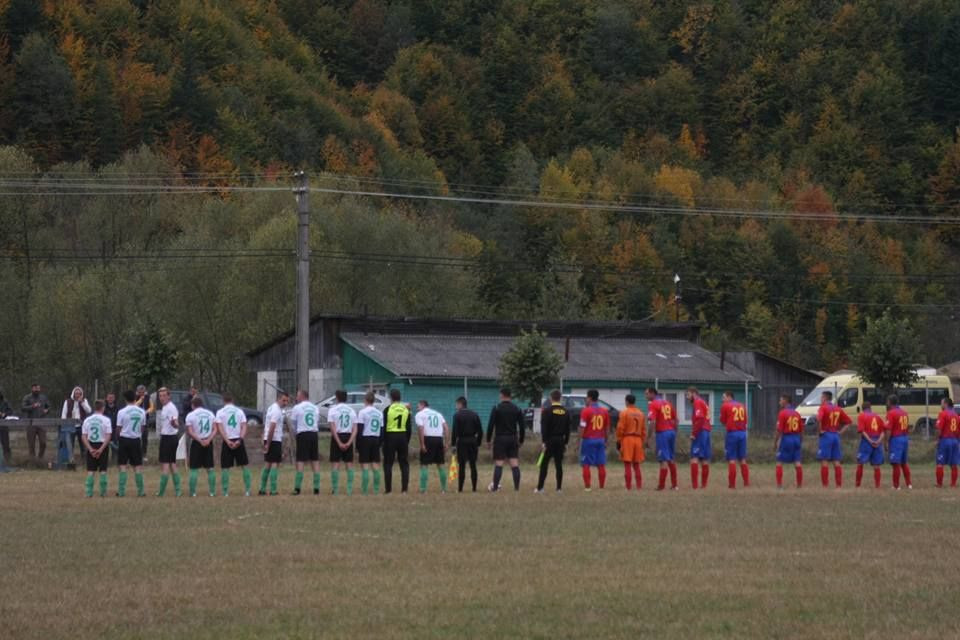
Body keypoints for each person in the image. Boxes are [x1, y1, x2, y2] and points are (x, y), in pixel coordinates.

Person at [485, 387, 525, 492]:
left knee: (499, 464)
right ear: (510, 396)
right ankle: (516, 488)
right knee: (514, 464)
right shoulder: (517, 408)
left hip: (500, 438)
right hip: (512, 438)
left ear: (502, 395)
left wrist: (488, 440)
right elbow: (522, 426)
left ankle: (495, 487)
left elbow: (490, 425)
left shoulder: (497, 408)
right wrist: (521, 440)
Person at [214, 393, 250, 497]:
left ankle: (225, 492)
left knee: (225, 467)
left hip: (227, 440)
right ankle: (247, 490)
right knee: (244, 465)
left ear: (223, 401)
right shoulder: (239, 411)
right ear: (232, 400)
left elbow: (220, 428)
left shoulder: (220, 412)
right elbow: (244, 426)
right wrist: (240, 440)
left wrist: (227, 441)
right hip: (238, 439)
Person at [816, 390, 852, 488]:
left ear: (824, 398)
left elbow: (818, 419)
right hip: (835, 435)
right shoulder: (838, 408)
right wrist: (840, 432)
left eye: (821, 397)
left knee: (824, 461)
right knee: (836, 461)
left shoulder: (823, 408)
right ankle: (838, 485)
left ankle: (825, 486)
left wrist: (820, 431)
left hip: (826, 435)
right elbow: (848, 422)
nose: (820, 399)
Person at [115, 390, 147, 497]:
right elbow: (143, 427)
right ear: (135, 398)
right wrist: (137, 434)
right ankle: (141, 491)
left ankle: (121, 491)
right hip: (136, 440)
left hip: (124, 439)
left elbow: (118, 428)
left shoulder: (122, 412)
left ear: (125, 399)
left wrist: (118, 438)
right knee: (137, 466)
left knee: (122, 466)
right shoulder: (142, 411)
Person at [290, 389, 321, 495]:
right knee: (315, 460)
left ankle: (297, 488)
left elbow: (293, 423)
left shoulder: (297, 408)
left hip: (302, 434)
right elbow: (316, 421)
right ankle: (316, 488)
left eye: (297, 396)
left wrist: (295, 434)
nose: (296, 398)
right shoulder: (315, 407)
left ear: (302, 396)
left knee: (300, 460)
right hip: (313, 434)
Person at [645, 388, 678, 490]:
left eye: (646, 394)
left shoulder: (653, 404)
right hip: (671, 432)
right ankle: (674, 484)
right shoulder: (668, 402)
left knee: (663, 459)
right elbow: (676, 419)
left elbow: (652, 422)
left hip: (662, 433)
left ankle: (661, 486)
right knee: (671, 458)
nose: (645, 396)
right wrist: (674, 431)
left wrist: (648, 437)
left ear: (652, 393)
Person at [327, 390, 359, 495]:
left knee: (335, 464)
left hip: (338, 436)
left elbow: (332, 428)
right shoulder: (352, 411)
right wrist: (349, 442)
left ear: (336, 397)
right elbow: (355, 429)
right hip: (348, 436)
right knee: (349, 464)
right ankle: (349, 490)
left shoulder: (333, 410)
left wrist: (339, 442)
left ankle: (335, 490)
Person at [382, 389, 413, 494]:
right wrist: (406, 440)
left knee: (388, 463)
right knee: (404, 463)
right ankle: (404, 489)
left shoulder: (387, 409)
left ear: (391, 398)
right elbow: (409, 428)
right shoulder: (405, 410)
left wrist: (383, 441)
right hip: (402, 436)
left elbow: (384, 426)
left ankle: (388, 490)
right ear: (400, 398)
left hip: (390, 436)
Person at [185, 396, 217, 497]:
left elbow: (190, 431)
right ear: (202, 404)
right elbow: (215, 429)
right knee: (210, 468)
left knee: (194, 468)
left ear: (192, 405)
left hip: (196, 443)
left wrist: (200, 440)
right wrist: (208, 439)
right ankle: (212, 492)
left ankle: (193, 492)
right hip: (208, 442)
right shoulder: (210, 414)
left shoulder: (191, 415)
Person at [415, 400, 449, 493]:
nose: (417, 408)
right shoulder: (438, 414)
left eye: (418, 406)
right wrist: (446, 443)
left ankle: (423, 489)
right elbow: (446, 428)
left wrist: (422, 444)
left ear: (423, 405)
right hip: (438, 439)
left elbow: (421, 429)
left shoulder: (420, 414)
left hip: (428, 439)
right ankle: (444, 489)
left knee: (424, 464)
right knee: (441, 464)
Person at [578, 389, 609, 491]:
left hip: (588, 440)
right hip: (600, 439)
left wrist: (579, 439)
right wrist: (606, 440)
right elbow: (607, 428)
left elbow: (582, 426)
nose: (586, 400)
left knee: (586, 463)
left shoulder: (585, 411)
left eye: (586, 398)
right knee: (601, 464)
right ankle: (601, 487)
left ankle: (588, 487)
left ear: (590, 398)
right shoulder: (604, 411)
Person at [259, 391, 289, 496]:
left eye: (287, 401)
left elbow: (267, 426)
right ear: (278, 399)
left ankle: (262, 489)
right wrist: (268, 443)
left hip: (269, 438)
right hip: (274, 439)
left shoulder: (271, 407)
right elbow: (272, 427)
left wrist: (265, 439)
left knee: (268, 463)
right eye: (284, 400)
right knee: (275, 464)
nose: (285, 403)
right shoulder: (276, 411)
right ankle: (273, 490)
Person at [451, 396, 482, 493]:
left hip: (462, 441)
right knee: (473, 465)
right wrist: (478, 442)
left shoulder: (457, 415)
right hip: (472, 440)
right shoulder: (474, 414)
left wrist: (453, 444)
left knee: (462, 465)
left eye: (457, 404)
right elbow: (480, 431)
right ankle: (474, 488)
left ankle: (460, 488)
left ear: (460, 404)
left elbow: (455, 431)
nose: (456, 407)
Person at [81, 400, 112, 498]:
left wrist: (90, 449)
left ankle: (89, 492)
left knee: (91, 471)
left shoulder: (87, 420)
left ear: (94, 407)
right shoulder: (106, 420)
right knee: (103, 471)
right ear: (103, 408)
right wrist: (101, 449)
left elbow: (84, 436)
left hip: (91, 444)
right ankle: (103, 492)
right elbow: (108, 435)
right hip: (102, 445)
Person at [719, 391, 749, 489]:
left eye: (723, 397)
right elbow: (745, 420)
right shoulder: (742, 405)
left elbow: (723, 421)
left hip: (732, 434)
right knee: (743, 459)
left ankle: (732, 484)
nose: (722, 400)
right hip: (742, 433)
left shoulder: (725, 406)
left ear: (729, 397)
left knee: (732, 459)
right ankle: (746, 483)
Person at [155, 387, 182, 497]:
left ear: (169, 396)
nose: (162, 398)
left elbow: (176, 423)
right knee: (172, 465)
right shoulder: (165, 407)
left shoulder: (171, 408)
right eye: (160, 396)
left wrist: (174, 424)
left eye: (164, 395)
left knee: (166, 465)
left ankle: (161, 492)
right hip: (168, 438)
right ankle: (178, 491)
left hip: (169, 438)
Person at [615, 394, 645, 491]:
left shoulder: (624, 413)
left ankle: (628, 487)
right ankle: (639, 486)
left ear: (627, 401)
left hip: (628, 439)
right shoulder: (641, 413)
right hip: (638, 439)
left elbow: (620, 428)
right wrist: (642, 441)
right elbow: (644, 430)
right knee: (636, 465)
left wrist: (619, 440)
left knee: (627, 464)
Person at [356, 392, 384, 495]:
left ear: (365, 400)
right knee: (375, 465)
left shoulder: (363, 412)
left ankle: (365, 490)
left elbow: (360, 429)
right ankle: (376, 490)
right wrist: (380, 443)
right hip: (376, 439)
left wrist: (358, 445)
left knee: (365, 465)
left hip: (366, 438)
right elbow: (381, 430)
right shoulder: (379, 413)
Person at [774, 395, 804, 489]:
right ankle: (799, 486)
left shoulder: (782, 413)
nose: (779, 401)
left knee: (779, 462)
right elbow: (802, 430)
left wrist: (775, 442)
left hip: (787, 438)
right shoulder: (796, 413)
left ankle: (779, 486)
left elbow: (779, 430)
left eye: (781, 400)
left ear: (786, 401)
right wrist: (800, 441)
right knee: (797, 462)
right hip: (796, 438)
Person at [855, 401, 885, 489]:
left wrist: (870, 441)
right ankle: (877, 486)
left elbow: (862, 431)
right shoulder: (877, 416)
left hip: (867, 441)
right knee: (876, 465)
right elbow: (883, 431)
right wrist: (879, 441)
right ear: (870, 408)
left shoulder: (861, 416)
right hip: (877, 441)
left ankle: (857, 485)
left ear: (862, 408)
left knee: (860, 463)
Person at [885, 395, 912, 490]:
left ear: (890, 402)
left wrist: (886, 441)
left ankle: (896, 486)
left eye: (887, 401)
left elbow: (888, 429)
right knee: (904, 463)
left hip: (896, 439)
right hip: (905, 438)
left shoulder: (891, 413)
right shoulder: (904, 412)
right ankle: (909, 484)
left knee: (896, 463)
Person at [687, 387, 711, 489]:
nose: (687, 397)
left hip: (700, 432)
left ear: (694, 393)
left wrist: (694, 433)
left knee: (694, 458)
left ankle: (695, 486)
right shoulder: (703, 402)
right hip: (706, 431)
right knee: (705, 459)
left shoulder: (697, 402)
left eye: (688, 394)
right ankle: (703, 485)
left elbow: (700, 419)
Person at [62, 386, 92, 463]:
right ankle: (70, 461)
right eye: (76, 393)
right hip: (70, 426)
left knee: (83, 444)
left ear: (81, 394)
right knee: (70, 444)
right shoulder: (67, 401)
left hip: (81, 426)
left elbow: (89, 411)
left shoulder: (84, 401)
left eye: (79, 393)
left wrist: (82, 402)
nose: (77, 395)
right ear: (73, 393)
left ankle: (85, 461)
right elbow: (64, 414)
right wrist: (64, 424)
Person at [934, 397, 959, 488]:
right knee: (954, 463)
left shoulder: (943, 414)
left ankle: (939, 484)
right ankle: (953, 484)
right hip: (955, 441)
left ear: (946, 404)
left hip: (945, 440)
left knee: (940, 463)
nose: (941, 405)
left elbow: (939, 429)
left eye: (941, 403)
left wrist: (937, 439)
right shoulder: (956, 415)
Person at [21, 383, 50, 460]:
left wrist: (46, 410)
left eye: (38, 388)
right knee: (31, 444)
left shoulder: (43, 397)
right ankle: (32, 461)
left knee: (43, 443)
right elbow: (23, 408)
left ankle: (40, 459)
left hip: (41, 422)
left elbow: (48, 407)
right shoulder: (27, 397)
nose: (37, 390)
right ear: (32, 389)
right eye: (35, 388)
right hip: (31, 422)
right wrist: (32, 406)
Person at [134, 385, 152, 462]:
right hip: (136, 419)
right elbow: (135, 405)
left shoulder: (148, 397)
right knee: (136, 437)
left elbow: (152, 407)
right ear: (137, 392)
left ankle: (144, 454)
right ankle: (136, 453)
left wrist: (147, 411)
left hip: (145, 418)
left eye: (143, 392)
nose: (142, 393)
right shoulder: (135, 397)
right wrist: (141, 399)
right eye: (140, 392)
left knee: (145, 437)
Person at [0, 391, 12, 461]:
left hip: (3, 426)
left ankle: (7, 460)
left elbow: (10, 411)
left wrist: (4, 414)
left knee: (5, 444)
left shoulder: (5, 402)